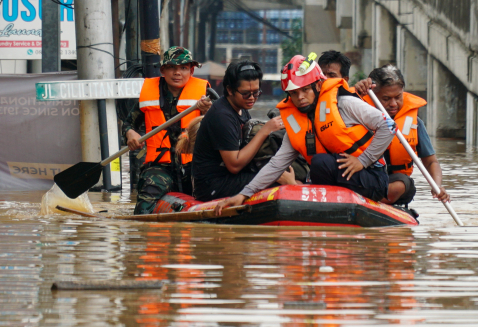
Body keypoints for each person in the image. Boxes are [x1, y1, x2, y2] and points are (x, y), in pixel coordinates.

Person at [211, 54, 398, 213]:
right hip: (340, 175)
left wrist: (363, 160)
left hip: (371, 175)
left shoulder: (344, 104)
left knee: (320, 163)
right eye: (293, 93)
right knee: (317, 165)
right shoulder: (296, 122)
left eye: (305, 90)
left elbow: (389, 126)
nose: (300, 98)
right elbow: (277, 164)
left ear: (318, 85)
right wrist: (244, 194)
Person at [123, 47, 212, 214]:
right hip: (160, 166)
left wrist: (208, 111)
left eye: (183, 68)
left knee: (209, 198)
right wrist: (130, 134)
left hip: (195, 165)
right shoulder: (150, 92)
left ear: (191, 71)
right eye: (172, 67)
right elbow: (128, 124)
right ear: (163, 70)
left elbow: (222, 127)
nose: (177, 73)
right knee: (146, 197)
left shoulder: (205, 96)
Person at [191, 60, 294, 201]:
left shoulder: (241, 108)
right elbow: (234, 165)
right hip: (214, 184)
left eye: (256, 93)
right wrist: (264, 130)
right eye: (246, 93)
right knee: (276, 183)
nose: (252, 98)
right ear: (229, 90)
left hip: (233, 176)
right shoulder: (222, 116)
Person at [355, 65, 449, 208]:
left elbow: (431, 162)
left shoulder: (415, 123)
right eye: (386, 99)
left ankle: (373, 203)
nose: (393, 104)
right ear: (372, 95)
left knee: (402, 184)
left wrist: (437, 186)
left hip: (392, 183)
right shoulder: (356, 113)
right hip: (363, 177)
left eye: (398, 97)